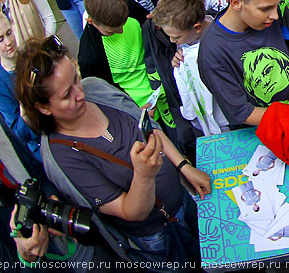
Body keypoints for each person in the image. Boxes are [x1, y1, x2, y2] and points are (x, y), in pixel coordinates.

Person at [15, 37, 211, 270]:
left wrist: (184, 167)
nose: (79, 94)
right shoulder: (61, 157)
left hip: (184, 197)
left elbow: (150, 129)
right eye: (66, 95)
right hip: (159, 236)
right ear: (43, 108)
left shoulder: (94, 87)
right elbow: (130, 212)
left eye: (76, 79)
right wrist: (143, 175)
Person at [0, 86, 93, 273]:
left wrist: (52, 198)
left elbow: (36, 172)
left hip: (85, 239)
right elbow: (10, 267)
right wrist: (28, 258)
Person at [78, 0, 173, 135]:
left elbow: (152, 28)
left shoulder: (128, 5)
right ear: (91, 20)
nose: (121, 31)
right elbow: (103, 96)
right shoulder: (89, 56)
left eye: (123, 23)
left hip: (164, 96)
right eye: (112, 31)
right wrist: (133, 110)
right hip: (136, 114)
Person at [150, 0, 230, 139]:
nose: (172, 41)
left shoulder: (221, 38)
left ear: (197, 27)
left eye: (176, 37)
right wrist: (177, 60)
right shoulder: (186, 36)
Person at [0, 11, 40, 160]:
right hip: (40, 143)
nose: (8, 42)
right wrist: (25, 107)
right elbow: (19, 134)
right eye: (0, 39)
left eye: (9, 33)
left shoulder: (30, 56)